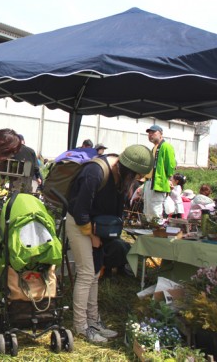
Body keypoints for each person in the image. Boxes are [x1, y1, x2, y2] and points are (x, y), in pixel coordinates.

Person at [67, 144, 153, 342]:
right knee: (87, 272)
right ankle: (80, 326)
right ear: (126, 169)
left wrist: (107, 235)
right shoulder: (95, 172)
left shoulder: (122, 176)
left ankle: (93, 320)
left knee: (95, 274)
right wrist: (91, 235)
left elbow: (116, 207)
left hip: (99, 227)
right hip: (79, 223)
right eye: (136, 176)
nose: (138, 181)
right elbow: (80, 210)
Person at [142, 124, 176, 221]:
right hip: (149, 182)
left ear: (160, 134)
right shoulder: (154, 147)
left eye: (153, 132)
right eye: (149, 133)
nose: (150, 135)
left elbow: (170, 165)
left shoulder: (166, 146)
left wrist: (169, 179)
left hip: (158, 183)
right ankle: (150, 229)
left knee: (155, 208)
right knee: (147, 208)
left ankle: (157, 229)